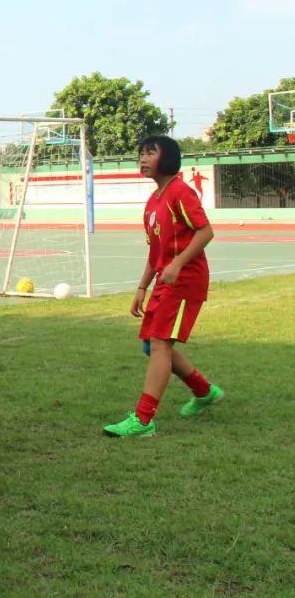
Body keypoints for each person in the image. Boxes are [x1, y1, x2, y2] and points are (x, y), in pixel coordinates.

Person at [103, 136, 222, 438]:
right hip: (164, 280)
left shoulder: (181, 191)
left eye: (150, 153)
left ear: (167, 158)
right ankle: (204, 391)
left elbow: (206, 231)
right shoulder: (153, 202)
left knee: (159, 344)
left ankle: (143, 420)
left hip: (185, 280)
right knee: (151, 345)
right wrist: (142, 287)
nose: (142, 159)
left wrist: (178, 263)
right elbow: (155, 252)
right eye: (140, 153)